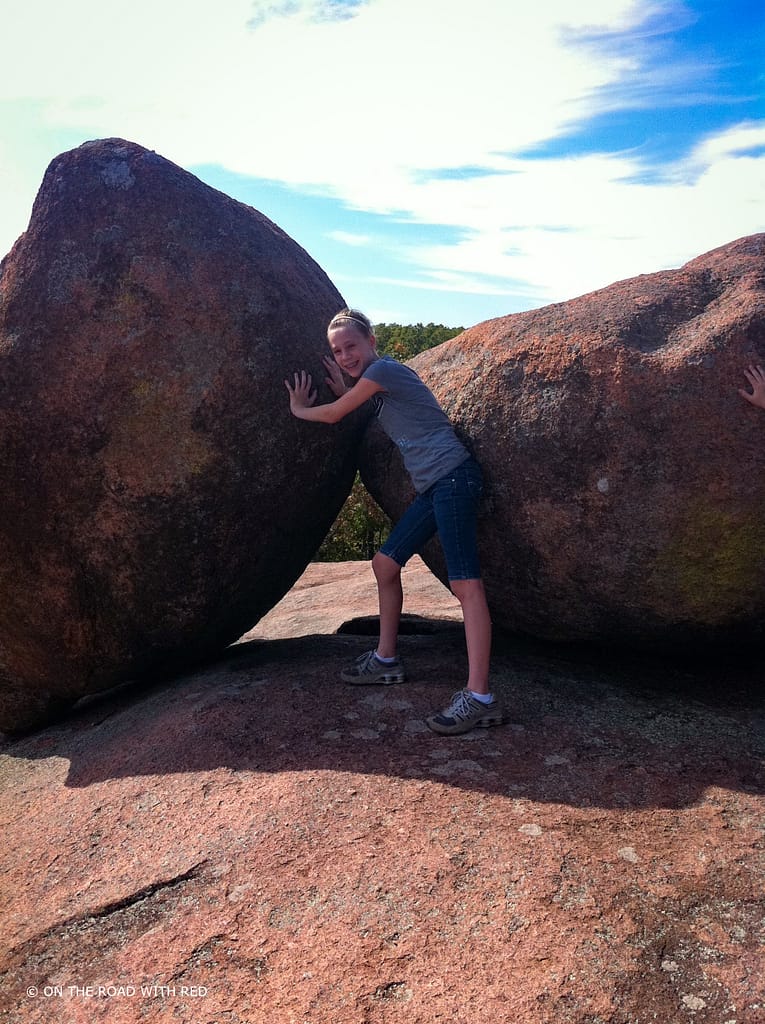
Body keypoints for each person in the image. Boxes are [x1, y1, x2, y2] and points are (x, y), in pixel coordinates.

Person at [285, 308, 502, 735]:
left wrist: (299, 409)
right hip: (436, 487)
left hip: (454, 479)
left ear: (372, 342)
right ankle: (386, 659)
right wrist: (347, 388)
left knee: (466, 587)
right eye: (337, 350)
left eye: (352, 346)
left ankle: (479, 697)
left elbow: (333, 415)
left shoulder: (384, 370)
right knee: (384, 564)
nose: (345, 356)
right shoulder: (378, 384)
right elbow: (374, 406)